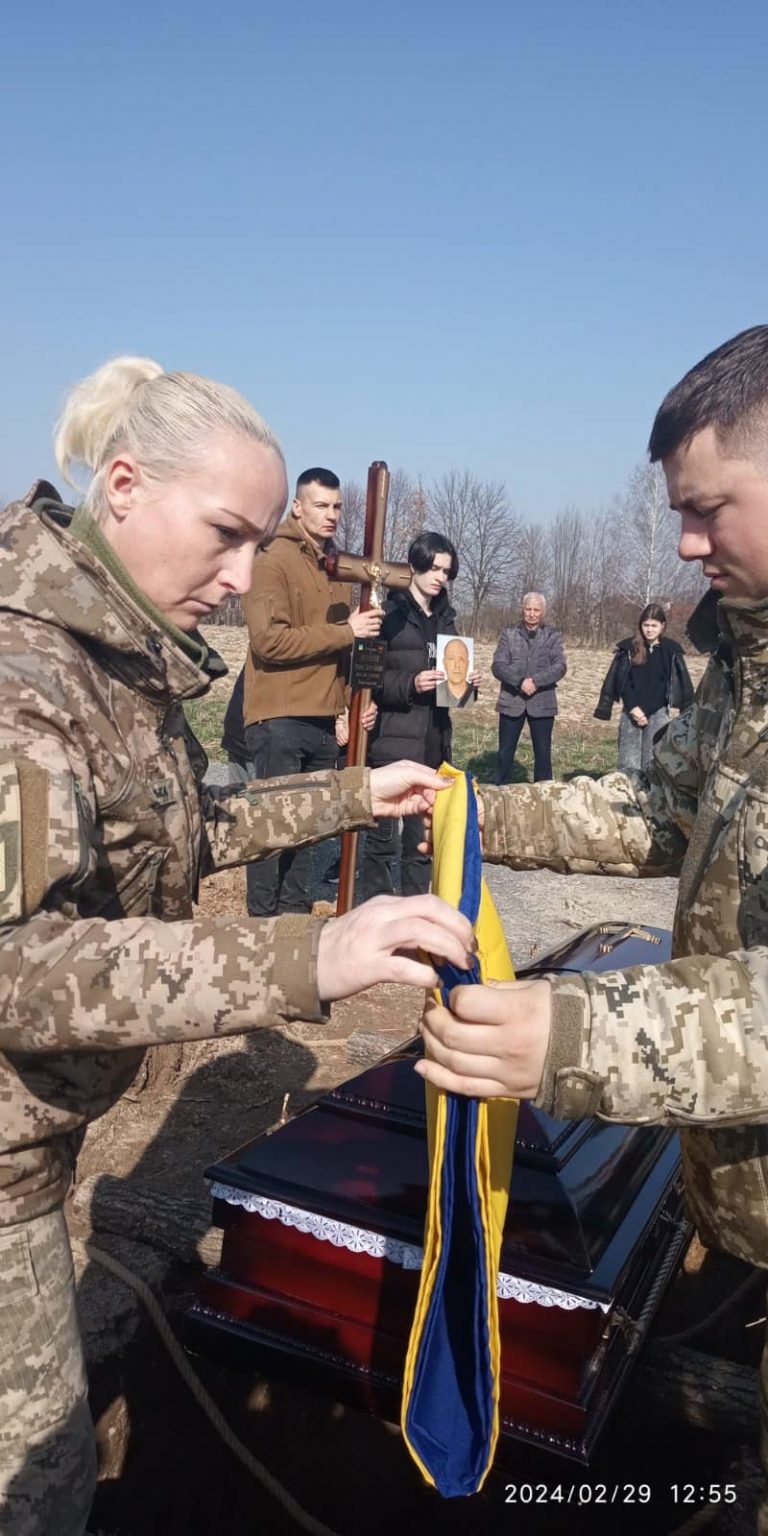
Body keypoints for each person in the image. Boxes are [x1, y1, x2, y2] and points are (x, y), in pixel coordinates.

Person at [0, 357, 475, 1536]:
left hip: (34, 1159)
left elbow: (188, 826)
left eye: (259, 543)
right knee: (39, 1492)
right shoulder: (23, 682)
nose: (243, 576)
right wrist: (312, 959)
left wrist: (353, 795)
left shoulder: (113, 662)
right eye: (226, 534)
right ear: (123, 486)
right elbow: (20, 967)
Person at [417, 324, 768, 1530]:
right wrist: (479, 811)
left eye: (706, 509)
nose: (684, 544)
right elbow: (659, 809)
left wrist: (569, 1034)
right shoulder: (749, 660)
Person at [240, 467, 380, 916]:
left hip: (323, 720)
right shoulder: (272, 560)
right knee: (272, 827)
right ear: (298, 507)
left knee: (307, 833)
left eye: (337, 506)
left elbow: (342, 650)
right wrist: (346, 631)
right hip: (280, 717)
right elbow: (269, 641)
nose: (331, 514)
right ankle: (261, 928)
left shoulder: (337, 567)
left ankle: (294, 925)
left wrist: (349, 705)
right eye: (321, 505)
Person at [363, 531, 478, 898]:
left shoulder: (446, 619)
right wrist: (411, 683)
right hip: (391, 743)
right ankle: (378, 912)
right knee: (380, 843)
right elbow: (369, 679)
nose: (439, 577)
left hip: (433, 744)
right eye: (433, 568)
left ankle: (415, 910)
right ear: (413, 566)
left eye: (446, 571)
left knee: (420, 844)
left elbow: (453, 688)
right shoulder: (390, 615)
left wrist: (467, 684)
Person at [594, 602, 694, 771]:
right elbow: (622, 681)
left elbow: (674, 684)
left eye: (654, 626)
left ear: (662, 626)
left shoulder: (671, 651)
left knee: (654, 762)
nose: (649, 630)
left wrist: (685, 714)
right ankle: (628, 787)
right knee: (628, 763)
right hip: (631, 711)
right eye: (646, 625)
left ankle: (650, 789)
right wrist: (634, 708)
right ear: (640, 626)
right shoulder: (628, 648)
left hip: (658, 712)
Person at [491, 593, 567, 782]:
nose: (532, 614)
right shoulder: (509, 634)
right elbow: (498, 665)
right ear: (522, 609)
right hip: (511, 701)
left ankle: (543, 792)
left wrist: (536, 681)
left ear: (543, 612)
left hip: (542, 702)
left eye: (536, 610)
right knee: (504, 753)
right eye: (528, 609)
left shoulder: (553, 635)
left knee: (543, 754)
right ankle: (501, 790)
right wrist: (519, 682)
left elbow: (560, 666)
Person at [434, 637, 475, 709]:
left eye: (461, 659)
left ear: (468, 664)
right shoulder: (436, 693)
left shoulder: (473, 693)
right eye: (451, 659)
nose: (457, 665)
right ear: (444, 663)